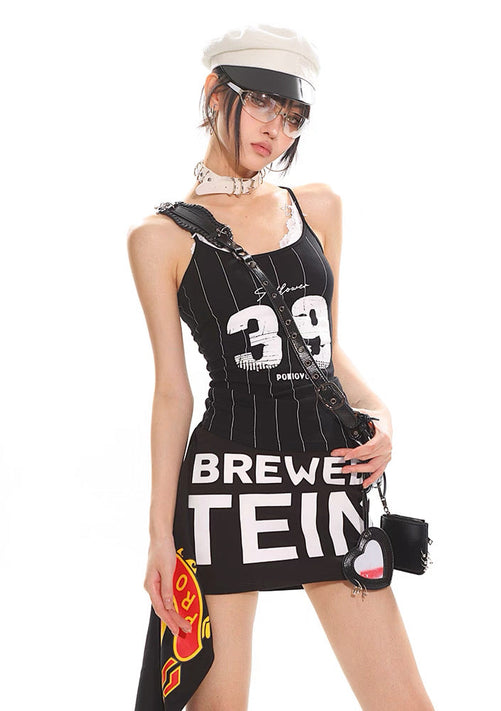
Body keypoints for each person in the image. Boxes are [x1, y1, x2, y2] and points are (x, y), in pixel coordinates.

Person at [127, 24, 434, 711]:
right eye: (263, 103)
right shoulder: (159, 237)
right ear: (215, 93)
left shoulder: (316, 206)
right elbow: (172, 394)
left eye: (293, 116)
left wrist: (380, 414)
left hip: (327, 473)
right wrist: (158, 535)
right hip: (227, 483)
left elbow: (324, 346)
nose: (277, 129)